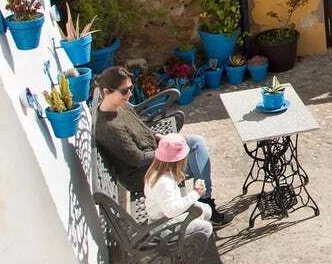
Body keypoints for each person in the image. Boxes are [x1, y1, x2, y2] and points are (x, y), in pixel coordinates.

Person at [93, 66, 233, 225]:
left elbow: (141, 128)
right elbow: (137, 159)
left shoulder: (120, 105)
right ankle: (205, 205)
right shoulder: (109, 127)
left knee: (195, 142)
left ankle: (203, 202)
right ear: (106, 92)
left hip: (154, 158)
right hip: (143, 174)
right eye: (125, 91)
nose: (130, 94)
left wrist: (161, 138)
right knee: (194, 151)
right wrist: (166, 149)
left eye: (131, 88)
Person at [144, 134, 214, 240]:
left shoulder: (158, 171)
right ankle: (185, 249)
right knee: (206, 228)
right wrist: (195, 193)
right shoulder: (164, 182)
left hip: (165, 217)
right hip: (163, 227)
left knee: (206, 210)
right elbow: (171, 211)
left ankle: (190, 231)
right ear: (178, 161)